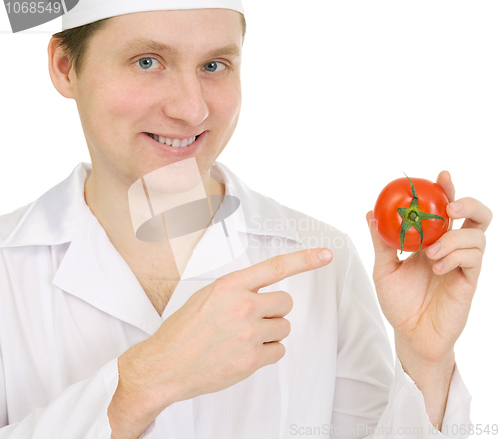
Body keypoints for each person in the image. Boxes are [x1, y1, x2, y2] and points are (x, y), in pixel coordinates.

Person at [0, 1, 492, 438]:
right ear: (65, 67)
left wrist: (426, 363)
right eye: (147, 61)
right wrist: (143, 382)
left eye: (214, 65)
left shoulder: (322, 265)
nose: (191, 109)